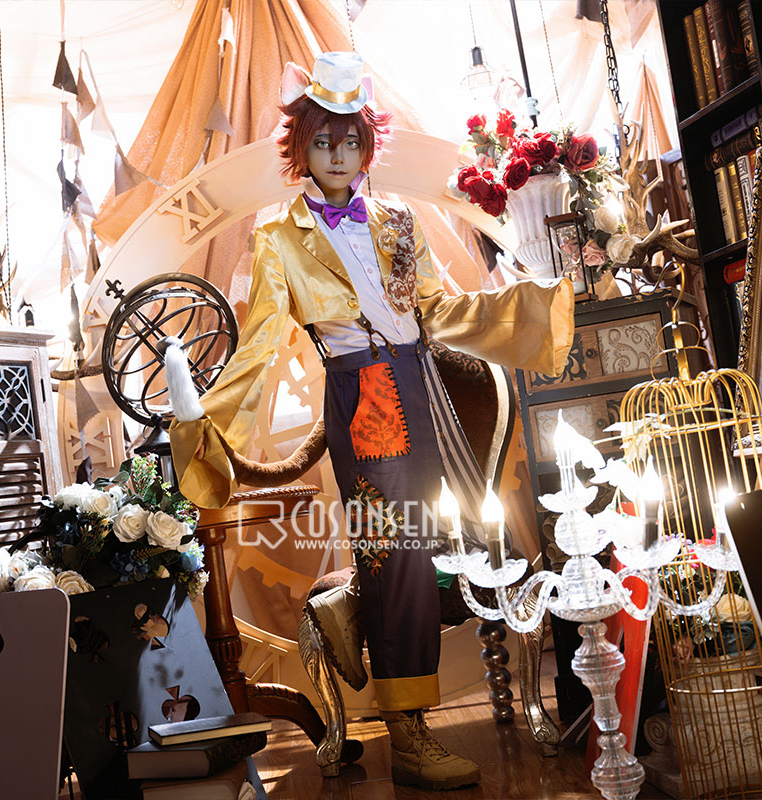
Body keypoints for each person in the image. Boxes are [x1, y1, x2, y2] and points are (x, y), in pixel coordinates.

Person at [169, 51, 574, 791]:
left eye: (350, 140)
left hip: (422, 383)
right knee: (397, 553)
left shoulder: (397, 219)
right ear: (301, 147)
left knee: (440, 541)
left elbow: (438, 309)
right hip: (364, 393)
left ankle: (349, 613)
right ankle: (408, 735)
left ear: (366, 145)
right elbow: (260, 343)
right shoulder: (278, 236)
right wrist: (204, 422)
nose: (337, 154)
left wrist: (530, 301)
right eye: (323, 140)